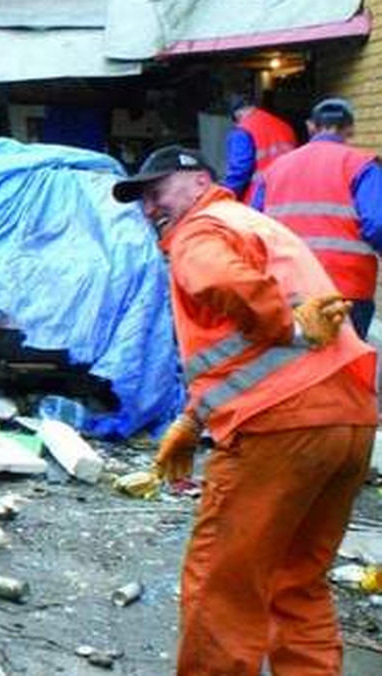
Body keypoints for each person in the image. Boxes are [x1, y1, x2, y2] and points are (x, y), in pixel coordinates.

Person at [113, 145, 376, 675]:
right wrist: (192, 418)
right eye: (141, 199)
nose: (149, 209)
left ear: (197, 182)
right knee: (296, 582)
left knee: (223, 589)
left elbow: (230, 287)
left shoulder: (199, 232)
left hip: (281, 426)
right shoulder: (251, 224)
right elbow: (242, 351)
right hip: (349, 418)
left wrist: (291, 324)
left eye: (156, 192)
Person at [254, 97, 382, 339]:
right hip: (346, 287)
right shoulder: (362, 165)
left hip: (288, 286)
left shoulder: (274, 169)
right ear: (351, 129)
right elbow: (377, 223)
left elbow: (254, 227)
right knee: (348, 366)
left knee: (299, 368)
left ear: (310, 127)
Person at [221, 95, 296, 203]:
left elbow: (239, 169)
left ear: (237, 114)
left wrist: (223, 194)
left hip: (257, 200)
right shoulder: (286, 127)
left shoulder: (243, 130)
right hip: (286, 196)